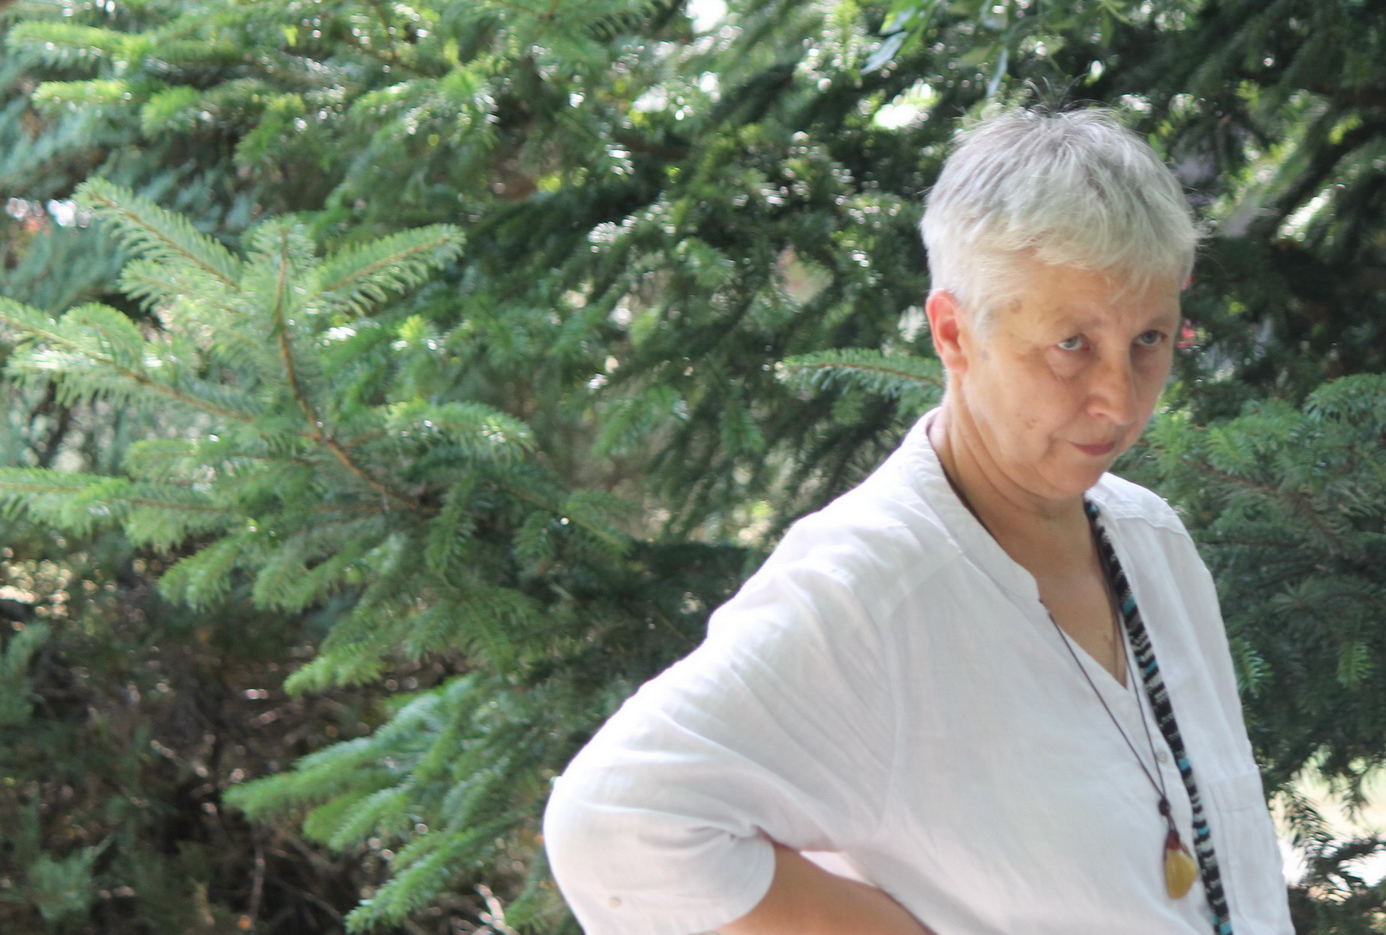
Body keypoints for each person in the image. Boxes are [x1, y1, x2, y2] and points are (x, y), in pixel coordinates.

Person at [543, 107, 1294, 935]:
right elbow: (613, 826)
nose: (1119, 398)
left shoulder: (1152, 542)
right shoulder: (871, 590)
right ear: (954, 334)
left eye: (1148, 338)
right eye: (1071, 344)